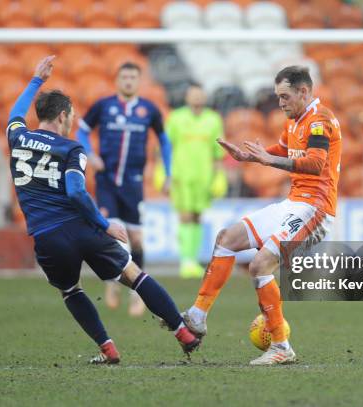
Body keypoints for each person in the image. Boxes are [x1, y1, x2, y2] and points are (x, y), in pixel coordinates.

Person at [8, 56, 199, 364]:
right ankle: (183, 333)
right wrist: (103, 224)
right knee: (133, 274)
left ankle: (107, 349)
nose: (71, 122)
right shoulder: (71, 149)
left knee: (71, 290)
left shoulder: (16, 137)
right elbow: (75, 192)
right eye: (70, 116)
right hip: (82, 227)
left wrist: (35, 81)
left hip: (46, 236)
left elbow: (15, 114)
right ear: (61, 115)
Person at [182, 66, 342, 365]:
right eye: (278, 97)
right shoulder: (294, 121)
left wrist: (270, 161)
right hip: (293, 203)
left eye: (284, 96)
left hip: (316, 208)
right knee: (226, 238)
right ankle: (197, 315)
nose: (280, 103)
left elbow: (316, 164)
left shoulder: (320, 121)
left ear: (303, 92)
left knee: (259, 265)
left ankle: (281, 346)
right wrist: (252, 156)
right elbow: (281, 149)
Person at [76, 62, 172, 315]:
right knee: (110, 234)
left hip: (133, 183)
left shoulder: (148, 109)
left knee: (136, 239)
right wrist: (90, 154)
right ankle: (111, 282)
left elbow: (164, 141)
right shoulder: (103, 106)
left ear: (138, 81)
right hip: (107, 181)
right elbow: (82, 132)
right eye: (124, 77)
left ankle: (137, 291)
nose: (128, 81)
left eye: (132, 77)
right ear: (117, 80)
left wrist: (168, 173)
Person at [165, 82, 225, 278]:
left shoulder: (213, 119)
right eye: (194, 94)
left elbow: (218, 151)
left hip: (204, 176)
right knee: (185, 215)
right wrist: (163, 172)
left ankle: (194, 260)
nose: (197, 98)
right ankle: (186, 261)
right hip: (181, 175)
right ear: (187, 97)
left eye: (200, 94)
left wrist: (218, 176)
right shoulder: (176, 118)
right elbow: (166, 146)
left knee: (198, 215)